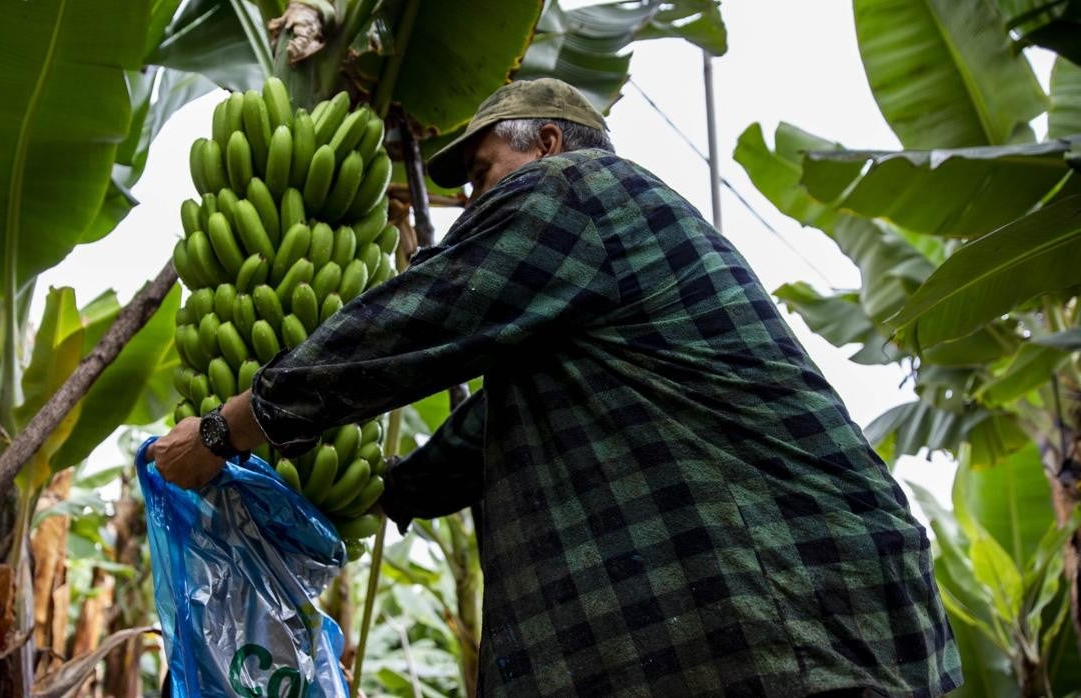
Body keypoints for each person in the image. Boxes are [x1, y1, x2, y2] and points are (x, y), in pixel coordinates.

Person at [150, 77, 962, 696]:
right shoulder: (585, 293)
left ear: (544, 140)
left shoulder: (578, 190)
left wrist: (228, 431)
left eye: (479, 172)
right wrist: (358, 495)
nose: (470, 202)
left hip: (778, 609)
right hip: (770, 617)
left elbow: (411, 326)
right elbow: (481, 442)